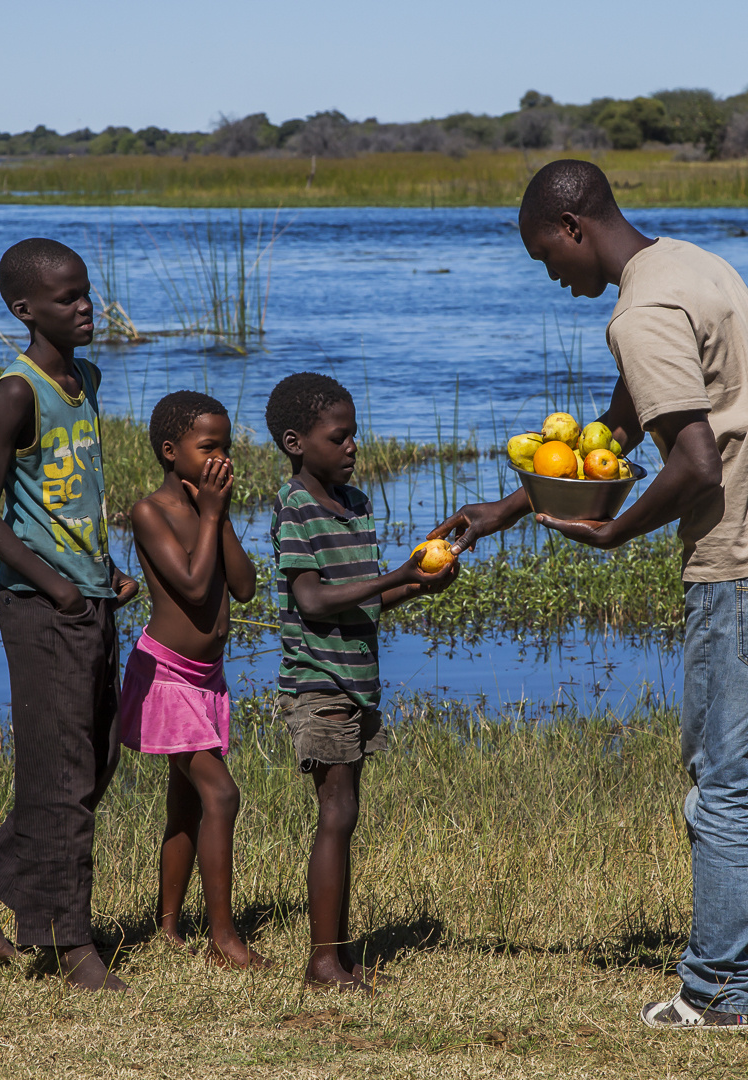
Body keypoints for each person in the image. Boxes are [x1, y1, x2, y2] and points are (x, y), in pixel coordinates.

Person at [431, 160, 748, 1028]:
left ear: (575, 226)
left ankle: (720, 995)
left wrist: (615, 534)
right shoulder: (689, 266)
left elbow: (694, 463)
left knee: (725, 785)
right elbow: (620, 429)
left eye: (547, 254)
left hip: (746, 565)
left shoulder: (641, 312)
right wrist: (508, 509)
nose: (552, 275)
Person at [0, 237, 139, 991]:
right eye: (65, 298)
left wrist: (104, 569)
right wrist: (54, 586)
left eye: (86, 292)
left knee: (96, 761)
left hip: (89, 596)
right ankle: (68, 943)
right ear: (24, 310)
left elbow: (74, 495)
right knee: (61, 778)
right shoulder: (15, 392)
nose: (84, 306)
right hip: (42, 609)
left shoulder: (85, 378)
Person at [266, 371, 458, 991]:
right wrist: (394, 575)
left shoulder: (356, 504)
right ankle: (324, 962)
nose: (353, 447)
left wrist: (419, 582)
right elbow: (314, 601)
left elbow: (366, 603)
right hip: (318, 680)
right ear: (296, 442)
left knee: (345, 814)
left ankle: (338, 955)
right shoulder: (294, 508)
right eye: (339, 437)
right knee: (336, 812)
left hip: (358, 680)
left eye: (355, 435)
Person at [120, 391, 267, 969]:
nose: (220, 459)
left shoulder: (212, 510)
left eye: (226, 446)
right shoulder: (149, 512)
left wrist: (220, 515)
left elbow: (244, 585)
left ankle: (167, 927)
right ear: (169, 450)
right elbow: (193, 584)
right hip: (166, 677)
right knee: (220, 794)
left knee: (184, 804)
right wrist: (207, 514)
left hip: (207, 677)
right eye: (209, 446)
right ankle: (223, 939)